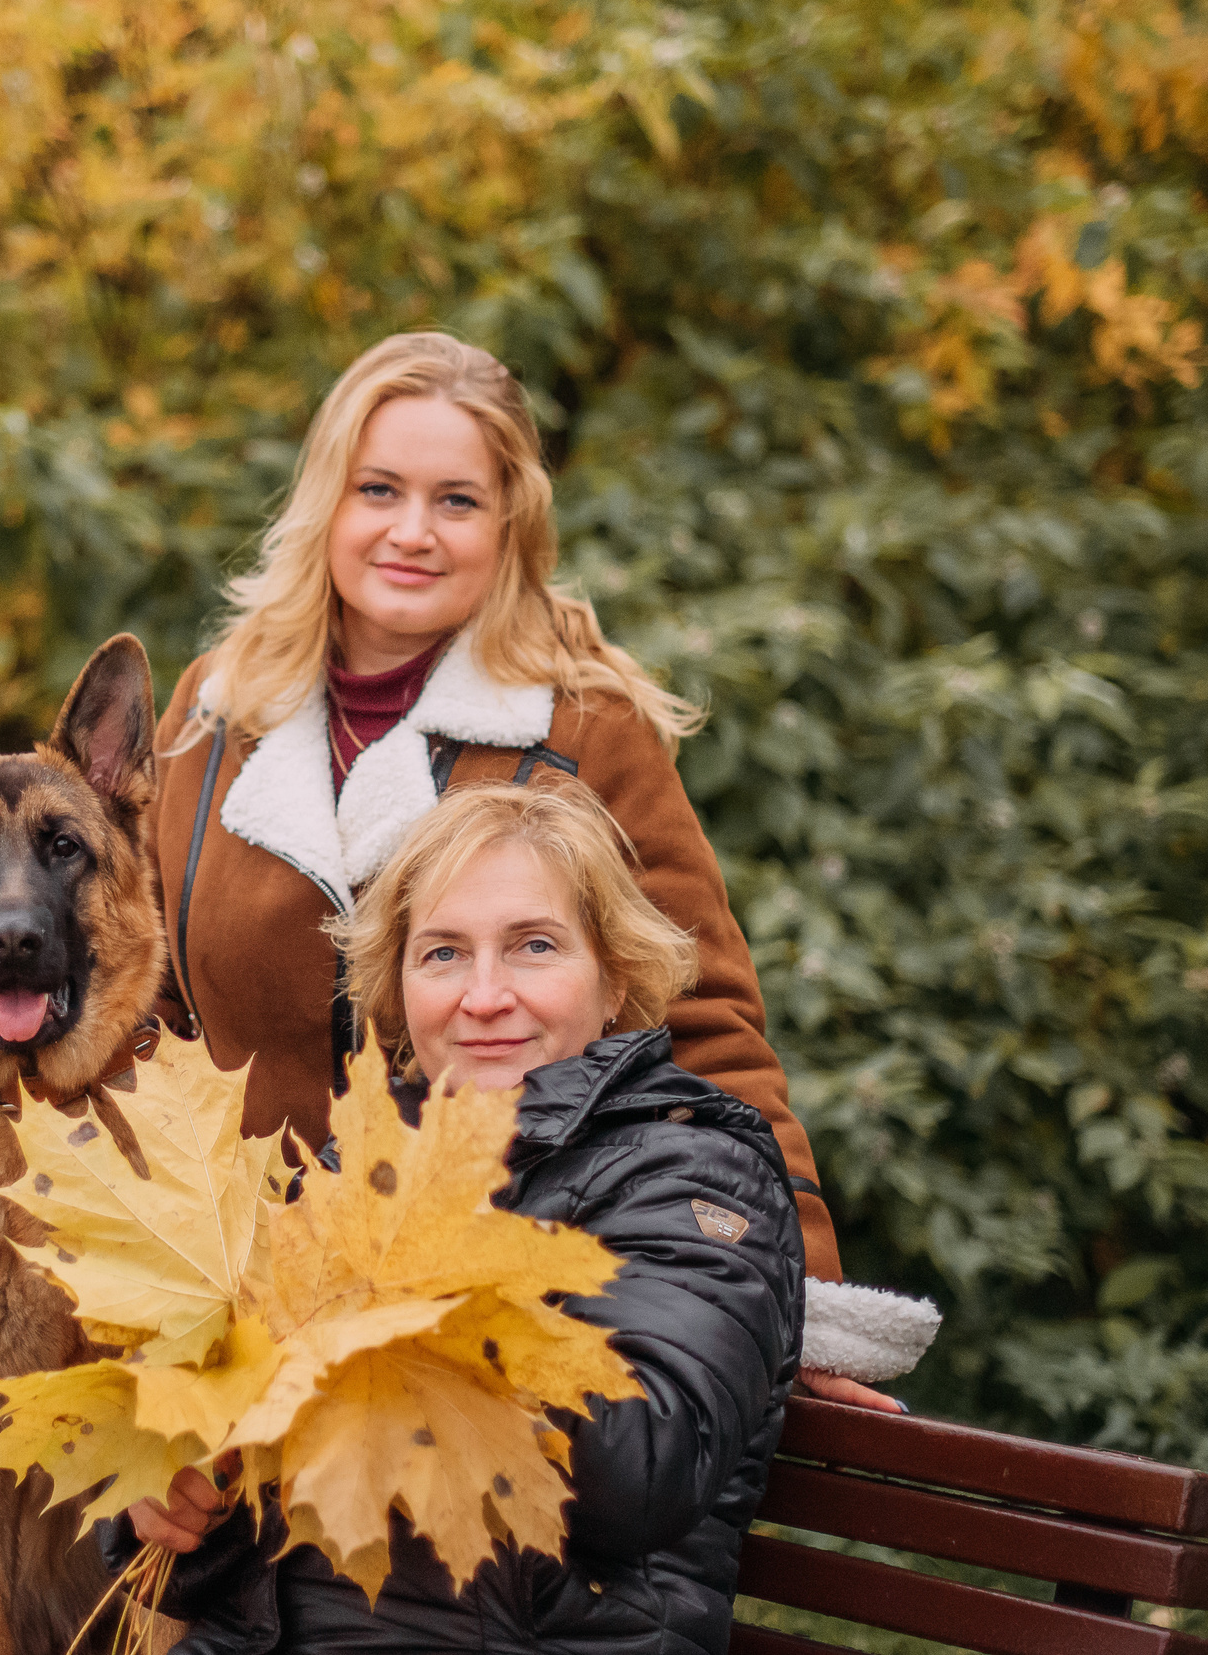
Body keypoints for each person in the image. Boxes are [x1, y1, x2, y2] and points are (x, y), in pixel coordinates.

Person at [151, 329, 929, 1404]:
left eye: (457, 500)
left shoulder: (584, 728)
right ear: (326, 499)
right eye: (379, 489)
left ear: (511, 522)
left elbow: (707, 1029)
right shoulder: (213, 711)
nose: (412, 531)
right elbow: (145, 1013)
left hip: (497, 1324)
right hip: (237, 1307)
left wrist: (800, 1314)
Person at [116, 781, 828, 1654]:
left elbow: (640, 1475)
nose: (484, 995)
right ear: (401, 986)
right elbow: (242, 1511)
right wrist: (180, 1496)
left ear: (615, 976)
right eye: (444, 953)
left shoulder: (695, 1175)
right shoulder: (360, 1161)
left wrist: (430, 1295)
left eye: (534, 946)